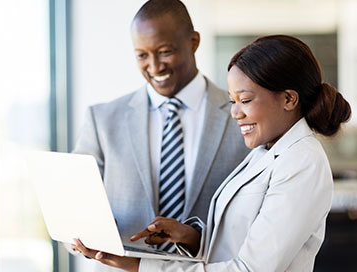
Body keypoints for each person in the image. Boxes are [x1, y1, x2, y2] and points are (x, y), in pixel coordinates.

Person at [72, 34, 351, 271]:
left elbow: (249, 268)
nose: (235, 113)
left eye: (245, 100)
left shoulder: (302, 161)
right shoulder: (266, 152)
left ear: (289, 99)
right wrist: (192, 236)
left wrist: (140, 265)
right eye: (232, 101)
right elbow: (239, 239)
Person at [70, 0, 249, 270]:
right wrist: (83, 230)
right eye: (142, 55)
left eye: (165, 51)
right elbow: (71, 206)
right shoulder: (103, 119)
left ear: (193, 42)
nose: (155, 66)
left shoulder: (242, 117)